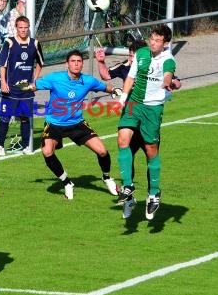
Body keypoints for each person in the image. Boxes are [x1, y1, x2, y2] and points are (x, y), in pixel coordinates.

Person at [96, 41, 182, 218]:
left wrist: (171, 84)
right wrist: (101, 61)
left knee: (151, 154)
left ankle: (153, 194)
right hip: (132, 113)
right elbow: (105, 75)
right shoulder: (125, 67)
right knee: (125, 148)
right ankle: (129, 195)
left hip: (148, 115)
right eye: (130, 54)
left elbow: (174, 80)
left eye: (134, 55)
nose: (132, 58)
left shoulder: (155, 64)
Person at [18, 50, 119, 200]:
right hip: (54, 124)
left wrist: (116, 91)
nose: (76, 64)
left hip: (77, 123)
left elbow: (106, 87)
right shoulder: (55, 78)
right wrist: (23, 86)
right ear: (67, 64)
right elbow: (34, 86)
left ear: (82, 64)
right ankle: (67, 182)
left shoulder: (88, 81)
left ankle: (107, 178)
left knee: (102, 151)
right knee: (47, 151)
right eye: (73, 61)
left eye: (79, 61)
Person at [116, 25, 176, 220]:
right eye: (152, 38)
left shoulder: (168, 59)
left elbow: (168, 73)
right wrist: (123, 99)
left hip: (152, 108)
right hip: (134, 104)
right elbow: (131, 76)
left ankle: (154, 192)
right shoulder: (141, 53)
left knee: (151, 150)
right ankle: (127, 185)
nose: (153, 42)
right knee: (122, 139)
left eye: (158, 40)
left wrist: (167, 82)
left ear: (165, 43)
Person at [0, 15, 44, 156]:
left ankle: (25, 147)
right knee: (5, 118)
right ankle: (0, 146)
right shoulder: (9, 43)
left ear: (29, 28)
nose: (23, 30)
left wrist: (34, 80)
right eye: (20, 27)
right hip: (10, 89)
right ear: (16, 28)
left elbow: (40, 63)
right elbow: (2, 64)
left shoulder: (35, 44)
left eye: (25, 28)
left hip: (26, 89)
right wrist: (3, 83)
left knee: (24, 118)